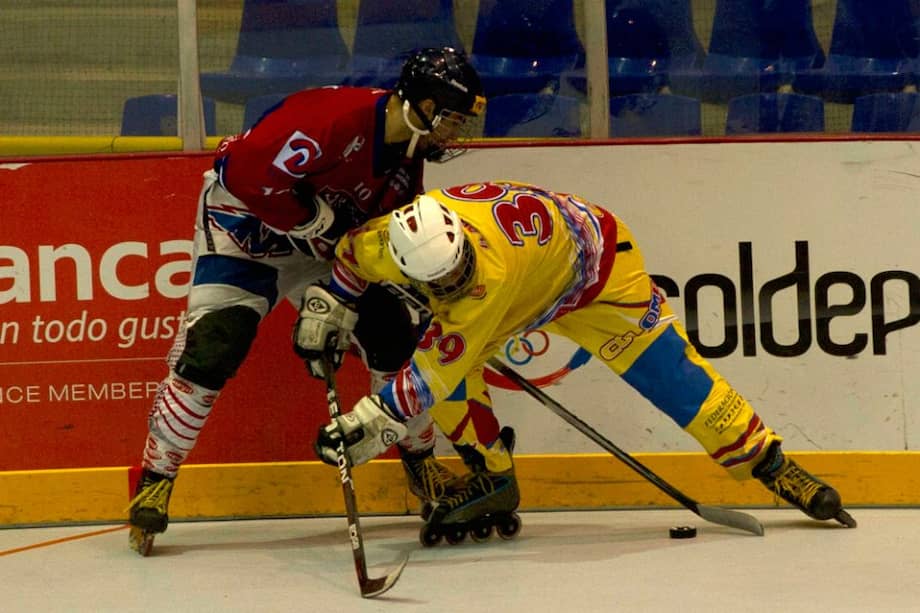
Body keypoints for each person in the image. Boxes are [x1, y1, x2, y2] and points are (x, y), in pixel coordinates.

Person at [297, 180, 855, 543]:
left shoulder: (483, 279)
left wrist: (366, 424)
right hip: (530, 283)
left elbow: (423, 380)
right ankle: (493, 477)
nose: (453, 280)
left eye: (457, 266)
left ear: (462, 238)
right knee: (455, 378)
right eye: (437, 280)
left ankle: (773, 465)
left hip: (598, 276)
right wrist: (336, 307)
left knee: (674, 378)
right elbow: (351, 257)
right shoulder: (388, 240)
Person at [126, 47, 487, 555]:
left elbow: (382, 238)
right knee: (213, 348)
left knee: (394, 338)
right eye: (449, 117)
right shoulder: (331, 119)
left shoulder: (406, 166)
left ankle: (421, 462)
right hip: (246, 230)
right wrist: (311, 220)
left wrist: (411, 287)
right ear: (419, 104)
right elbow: (243, 174)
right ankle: (155, 479)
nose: (454, 133)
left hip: (326, 248)